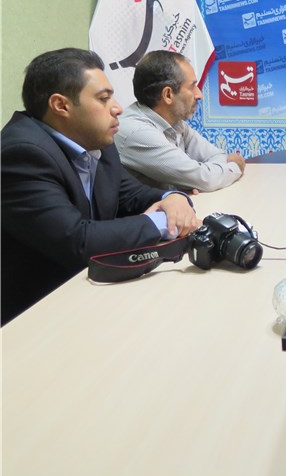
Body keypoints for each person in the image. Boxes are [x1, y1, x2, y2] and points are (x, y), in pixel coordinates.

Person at [1, 48, 200, 325]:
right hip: (35, 314)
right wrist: (163, 221)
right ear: (61, 105)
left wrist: (173, 197)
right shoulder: (21, 154)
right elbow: (78, 241)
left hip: (91, 293)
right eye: (103, 99)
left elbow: (132, 195)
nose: (118, 108)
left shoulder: (96, 140)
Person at [115, 50, 246, 193]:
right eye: (192, 86)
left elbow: (216, 156)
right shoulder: (137, 133)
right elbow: (205, 179)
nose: (199, 95)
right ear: (168, 95)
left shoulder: (175, 121)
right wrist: (235, 166)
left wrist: (192, 180)